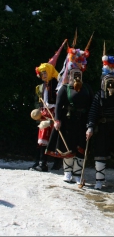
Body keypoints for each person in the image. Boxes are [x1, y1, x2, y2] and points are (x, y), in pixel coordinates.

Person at [45, 36, 94, 184]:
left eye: (79, 73)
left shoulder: (87, 88)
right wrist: (58, 120)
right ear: (70, 74)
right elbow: (59, 106)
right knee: (68, 148)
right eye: (74, 73)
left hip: (82, 122)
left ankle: (78, 173)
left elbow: (91, 105)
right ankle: (67, 172)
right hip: (67, 121)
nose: (76, 76)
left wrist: (91, 124)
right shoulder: (64, 89)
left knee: (80, 148)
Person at [86, 53, 114, 190]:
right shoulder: (98, 95)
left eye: (112, 81)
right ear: (103, 82)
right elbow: (93, 112)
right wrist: (90, 127)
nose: (110, 84)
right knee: (100, 154)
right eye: (108, 81)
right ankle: (99, 181)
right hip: (102, 128)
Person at [29, 41, 65, 172]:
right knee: (42, 139)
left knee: (54, 138)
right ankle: (40, 162)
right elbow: (39, 100)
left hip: (54, 113)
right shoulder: (41, 86)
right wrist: (38, 110)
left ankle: (55, 163)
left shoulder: (57, 83)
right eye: (42, 73)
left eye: (45, 73)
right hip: (44, 113)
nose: (43, 75)